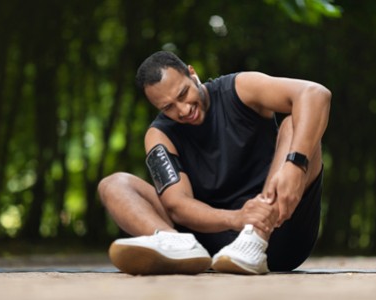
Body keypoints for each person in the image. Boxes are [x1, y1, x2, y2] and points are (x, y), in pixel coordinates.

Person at [98, 50, 331, 275]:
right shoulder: (160, 135)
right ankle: (177, 247)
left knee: (294, 123)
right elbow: (177, 204)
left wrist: (295, 166)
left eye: (182, 94)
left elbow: (315, 93)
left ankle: (255, 237)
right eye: (168, 107)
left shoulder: (240, 88)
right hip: (210, 243)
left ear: (192, 74)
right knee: (113, 184)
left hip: (279, 230)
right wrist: (237, 218)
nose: (183, 109)